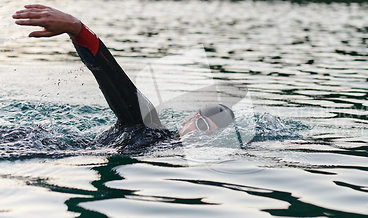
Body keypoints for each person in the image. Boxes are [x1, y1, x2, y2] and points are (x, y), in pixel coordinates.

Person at [12, 4, 235, 151]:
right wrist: (77, 29)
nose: (200, 138)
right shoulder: (150, 127)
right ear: (189, 120)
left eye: (212, 139)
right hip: (24, 142)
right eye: (202, 126)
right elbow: (113, 78)